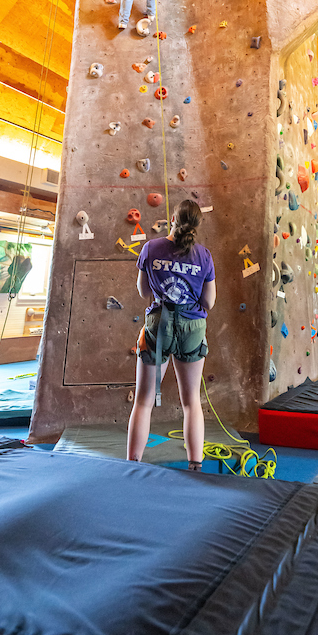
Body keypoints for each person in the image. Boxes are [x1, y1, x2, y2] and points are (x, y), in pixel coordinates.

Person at [127, 199, 216, 471]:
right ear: (197, 225)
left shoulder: (151, 248)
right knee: (191, 402)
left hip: (159, 324)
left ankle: (132, 464)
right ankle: (195, 464)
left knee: (143, 401)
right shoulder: (204, 255)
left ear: (172, 219)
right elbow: (209, 302)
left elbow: (144, 293)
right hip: (192, 326)